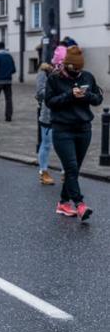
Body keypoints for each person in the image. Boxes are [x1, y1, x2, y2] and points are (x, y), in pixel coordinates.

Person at [45, 46, 104, 221]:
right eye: (73, 70)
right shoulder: (54, 79)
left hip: (83, 129)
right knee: (70, 167)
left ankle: (63, 203)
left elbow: (98, 98)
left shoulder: (87, 77)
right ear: (65, 65)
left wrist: (86, 96)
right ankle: (80, 204)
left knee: (74, 170)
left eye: (79, 70)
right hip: (62, 130)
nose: (76, 73)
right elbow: (50, 102)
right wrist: (69, 95)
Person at [35, 47, 66, 186]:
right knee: (46, 144)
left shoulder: (67, 73)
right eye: (62, 63)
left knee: (66, 144)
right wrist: (54, 86)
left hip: (65, 115)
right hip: (48, 115)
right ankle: (43, 172)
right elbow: (40, 93)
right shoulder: (45, 72)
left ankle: (66, 172)